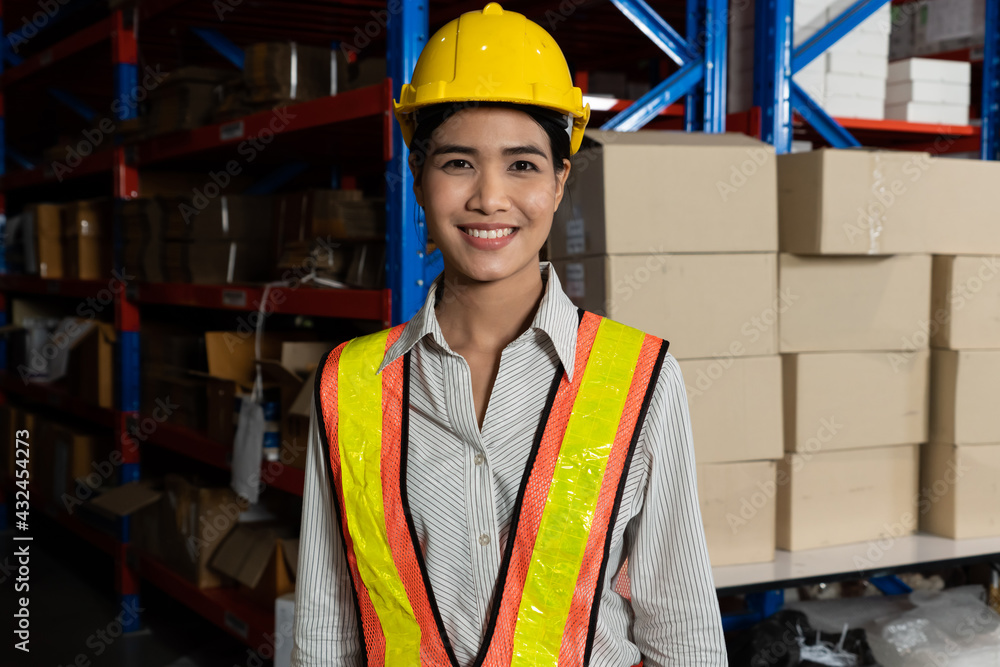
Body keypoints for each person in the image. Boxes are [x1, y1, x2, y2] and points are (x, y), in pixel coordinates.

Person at [292, 4, 727, 666]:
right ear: (418, 179)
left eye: (522, 165)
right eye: (458, 162)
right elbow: (327, 623)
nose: (489, 197)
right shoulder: (351, 384)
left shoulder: (638, 377)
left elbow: (682, 622)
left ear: (559, 183)